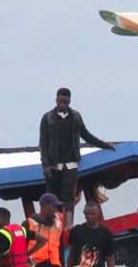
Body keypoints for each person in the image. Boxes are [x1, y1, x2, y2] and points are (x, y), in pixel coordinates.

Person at [38, 87, 115, 227]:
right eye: (60, 102)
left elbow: (86, 135)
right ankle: (49, 223)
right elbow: (43, 143)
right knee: (51, 195)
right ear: (56, 100)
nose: (63, 105)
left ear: (69, 101)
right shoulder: (47, 118)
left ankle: (68, 225)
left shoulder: (75, 116)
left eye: (65, 102)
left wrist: (104, 145)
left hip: (71, 162)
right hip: (53, 163)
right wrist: (46, 165)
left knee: (68, 195)